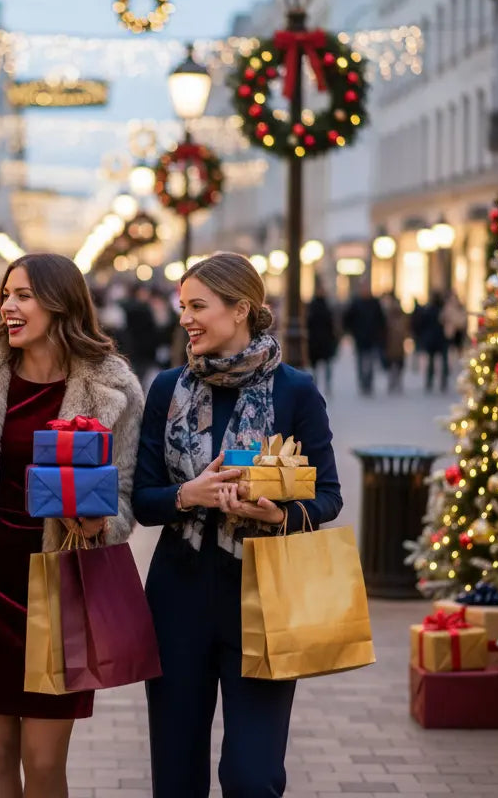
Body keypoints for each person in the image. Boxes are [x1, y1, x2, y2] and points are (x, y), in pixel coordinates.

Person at [0, 253, 144, 798]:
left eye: (23, 295)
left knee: (44, 762)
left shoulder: (112, 386)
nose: (8, 306)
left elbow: (124, 499)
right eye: (6, 294)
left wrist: (98, 521)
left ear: (60, 302)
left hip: (60, 589)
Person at [131, 252, 342, 797]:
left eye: (198, 306)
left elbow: (329, 495)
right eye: (183, 307)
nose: (186, 319)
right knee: (176, 775)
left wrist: (280, 514)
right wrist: (188, 494)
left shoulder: (295, 390)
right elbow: (143, 499)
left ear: (241, 308)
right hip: (177, 595)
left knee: (253, 776)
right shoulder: (166, 389)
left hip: (264, 595)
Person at [342, 282, 386, 396]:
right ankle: (362, 381)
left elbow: (381, 319)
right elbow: (348, 318)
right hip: (360, 337)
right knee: (361, 360)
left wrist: (379, 333)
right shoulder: (356, 303)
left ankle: (369, 382)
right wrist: (352, 331)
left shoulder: (374, 303)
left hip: (372, 337)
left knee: (371, 361)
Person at [305, 287, 338, 394]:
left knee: (326, 365)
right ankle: (317, 384)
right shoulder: (314, 306)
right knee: (317, 366)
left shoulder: (325, 306)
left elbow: (332, 324)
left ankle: (327, 385)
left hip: (324, 341)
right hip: (316, 341)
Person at [418, 292, 449, 392]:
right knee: (441, 361)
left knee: (433, 361)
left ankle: (431, 381)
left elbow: (422, 324)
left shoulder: (429, 310)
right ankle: (441, 381)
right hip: (440, 339)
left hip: (434, 339)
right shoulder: (442, 310)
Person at [383, 293, 410, 394]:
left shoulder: (400, 317)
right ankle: (394, 381)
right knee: (394, 365)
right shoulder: (390, 317)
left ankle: (395, 382)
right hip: (392, 345)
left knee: (397, 365)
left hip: (397, 345)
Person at [442, 291, 467, 356]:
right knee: (452, 349)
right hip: (452, 331)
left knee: (457, 348)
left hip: (457, 330)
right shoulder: (449, 307)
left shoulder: (458, 306)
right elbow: (443, 318)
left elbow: (463, 318)